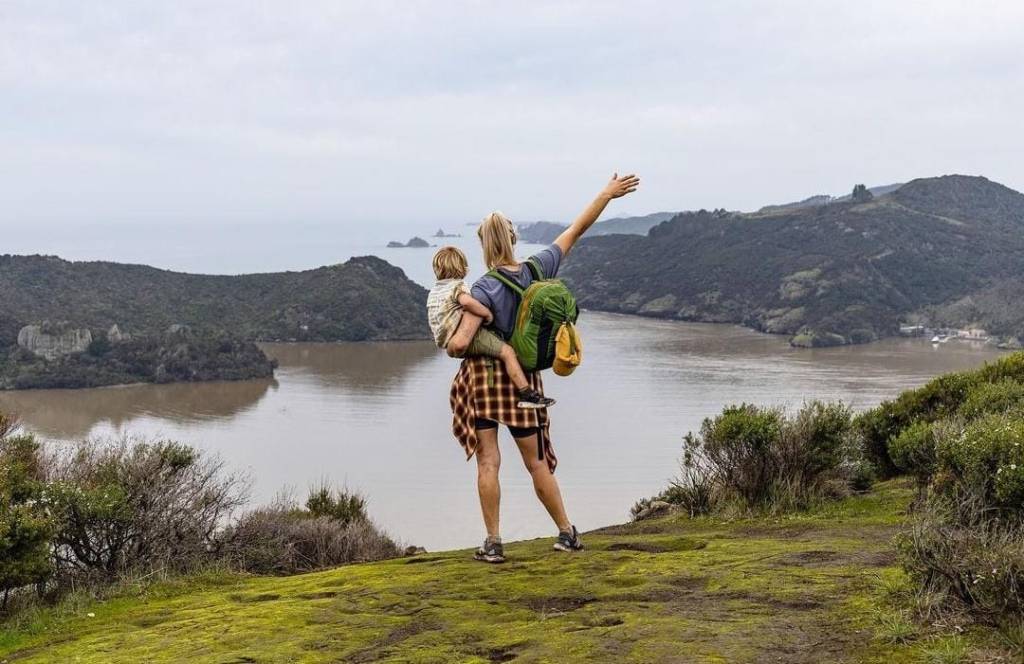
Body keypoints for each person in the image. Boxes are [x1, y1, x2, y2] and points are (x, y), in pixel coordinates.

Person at [447, 172, 640, 564]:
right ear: (514, 239)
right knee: (536, 462)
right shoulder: (538, 269)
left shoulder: (482, 288)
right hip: (526, 387)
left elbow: (463, 343)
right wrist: (606, 193)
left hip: (485, 384)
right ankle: (567, 532)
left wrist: (449, 338)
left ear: (484, 245)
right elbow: (577, 229)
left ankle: (494, 542)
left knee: (488, 462)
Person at [427, 245, 555, 409]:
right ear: (462, 267)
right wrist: (487, 314)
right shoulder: (457, 286)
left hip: (445, 339)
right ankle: (527, 393)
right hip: (463, 336)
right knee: (507, 352)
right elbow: (467, 302)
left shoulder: (435, 291)